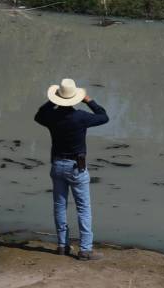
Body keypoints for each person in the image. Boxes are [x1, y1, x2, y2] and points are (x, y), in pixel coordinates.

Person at [35, 78, 110, 261]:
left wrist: (52, 101)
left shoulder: (51, 117)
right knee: (83, 208)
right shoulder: (81, 117)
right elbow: (103, 116)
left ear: (58, 98)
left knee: (60, 206)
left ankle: (62, 245)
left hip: (57, 166)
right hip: (77, 167)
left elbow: (39, 115)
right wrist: (89, 100)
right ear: (75, 98)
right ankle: (85, 250)